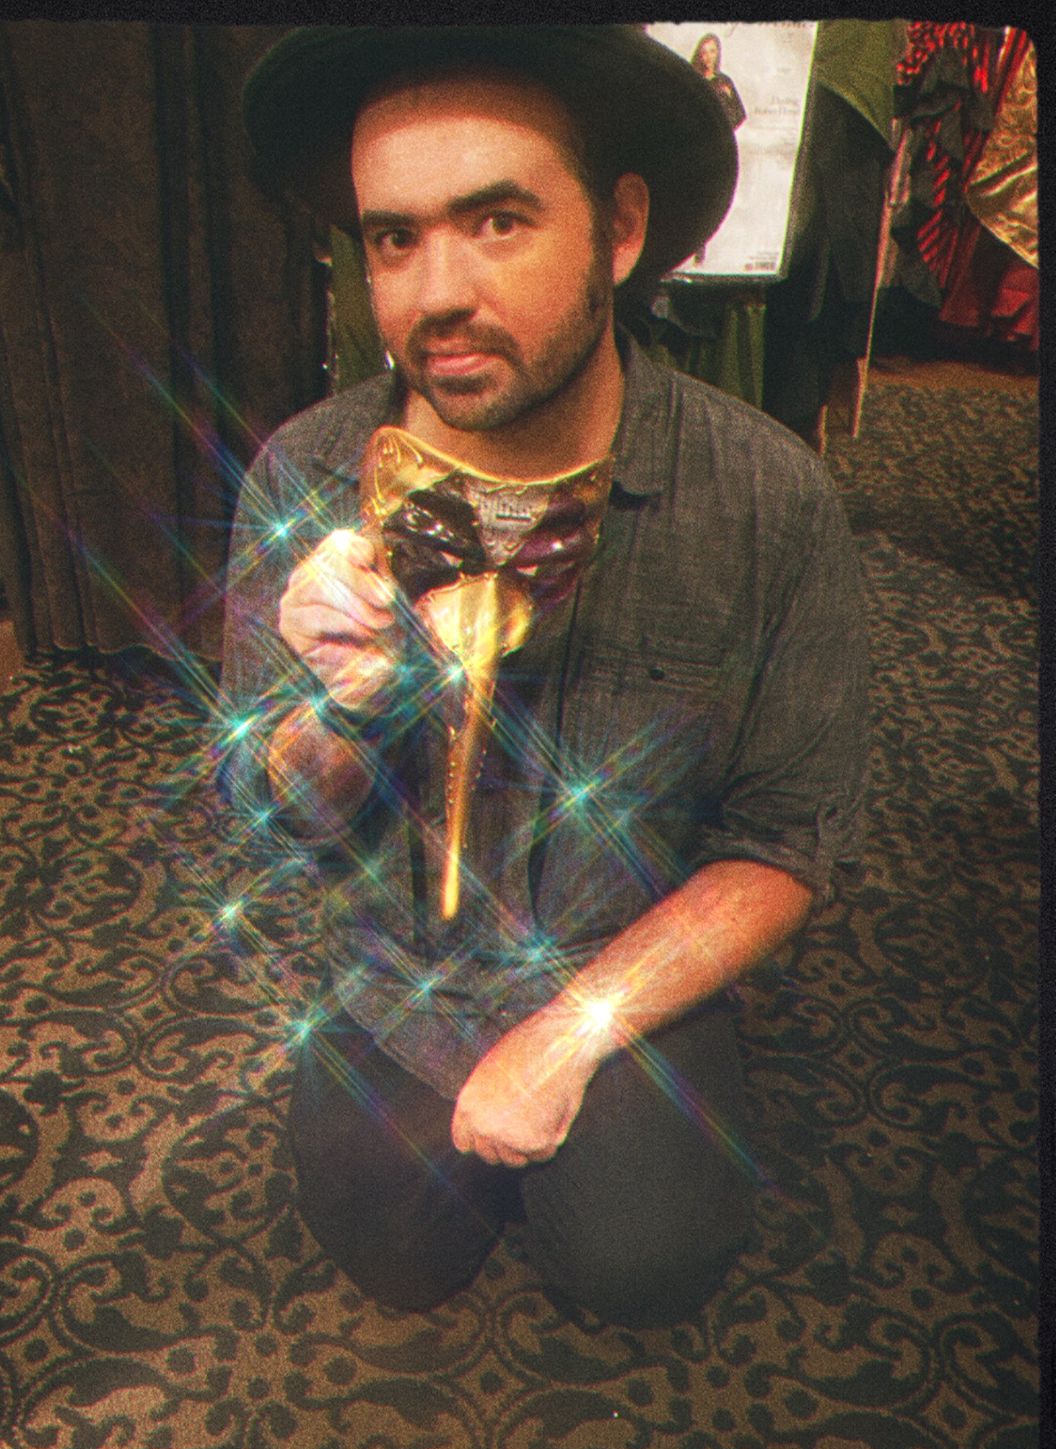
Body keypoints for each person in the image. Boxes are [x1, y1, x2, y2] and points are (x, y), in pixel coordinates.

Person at [219, 26, 867, 1327]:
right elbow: (275, 811)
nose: (437, 294)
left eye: (498, 222)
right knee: (389, 1257)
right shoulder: (309, 470)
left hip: (619, 949)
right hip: (397, 963)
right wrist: (336, 712)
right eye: (394, 238)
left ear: (618, 231)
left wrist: (571, 1033)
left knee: (646, 1266)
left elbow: (787, 839)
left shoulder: (765, 500)